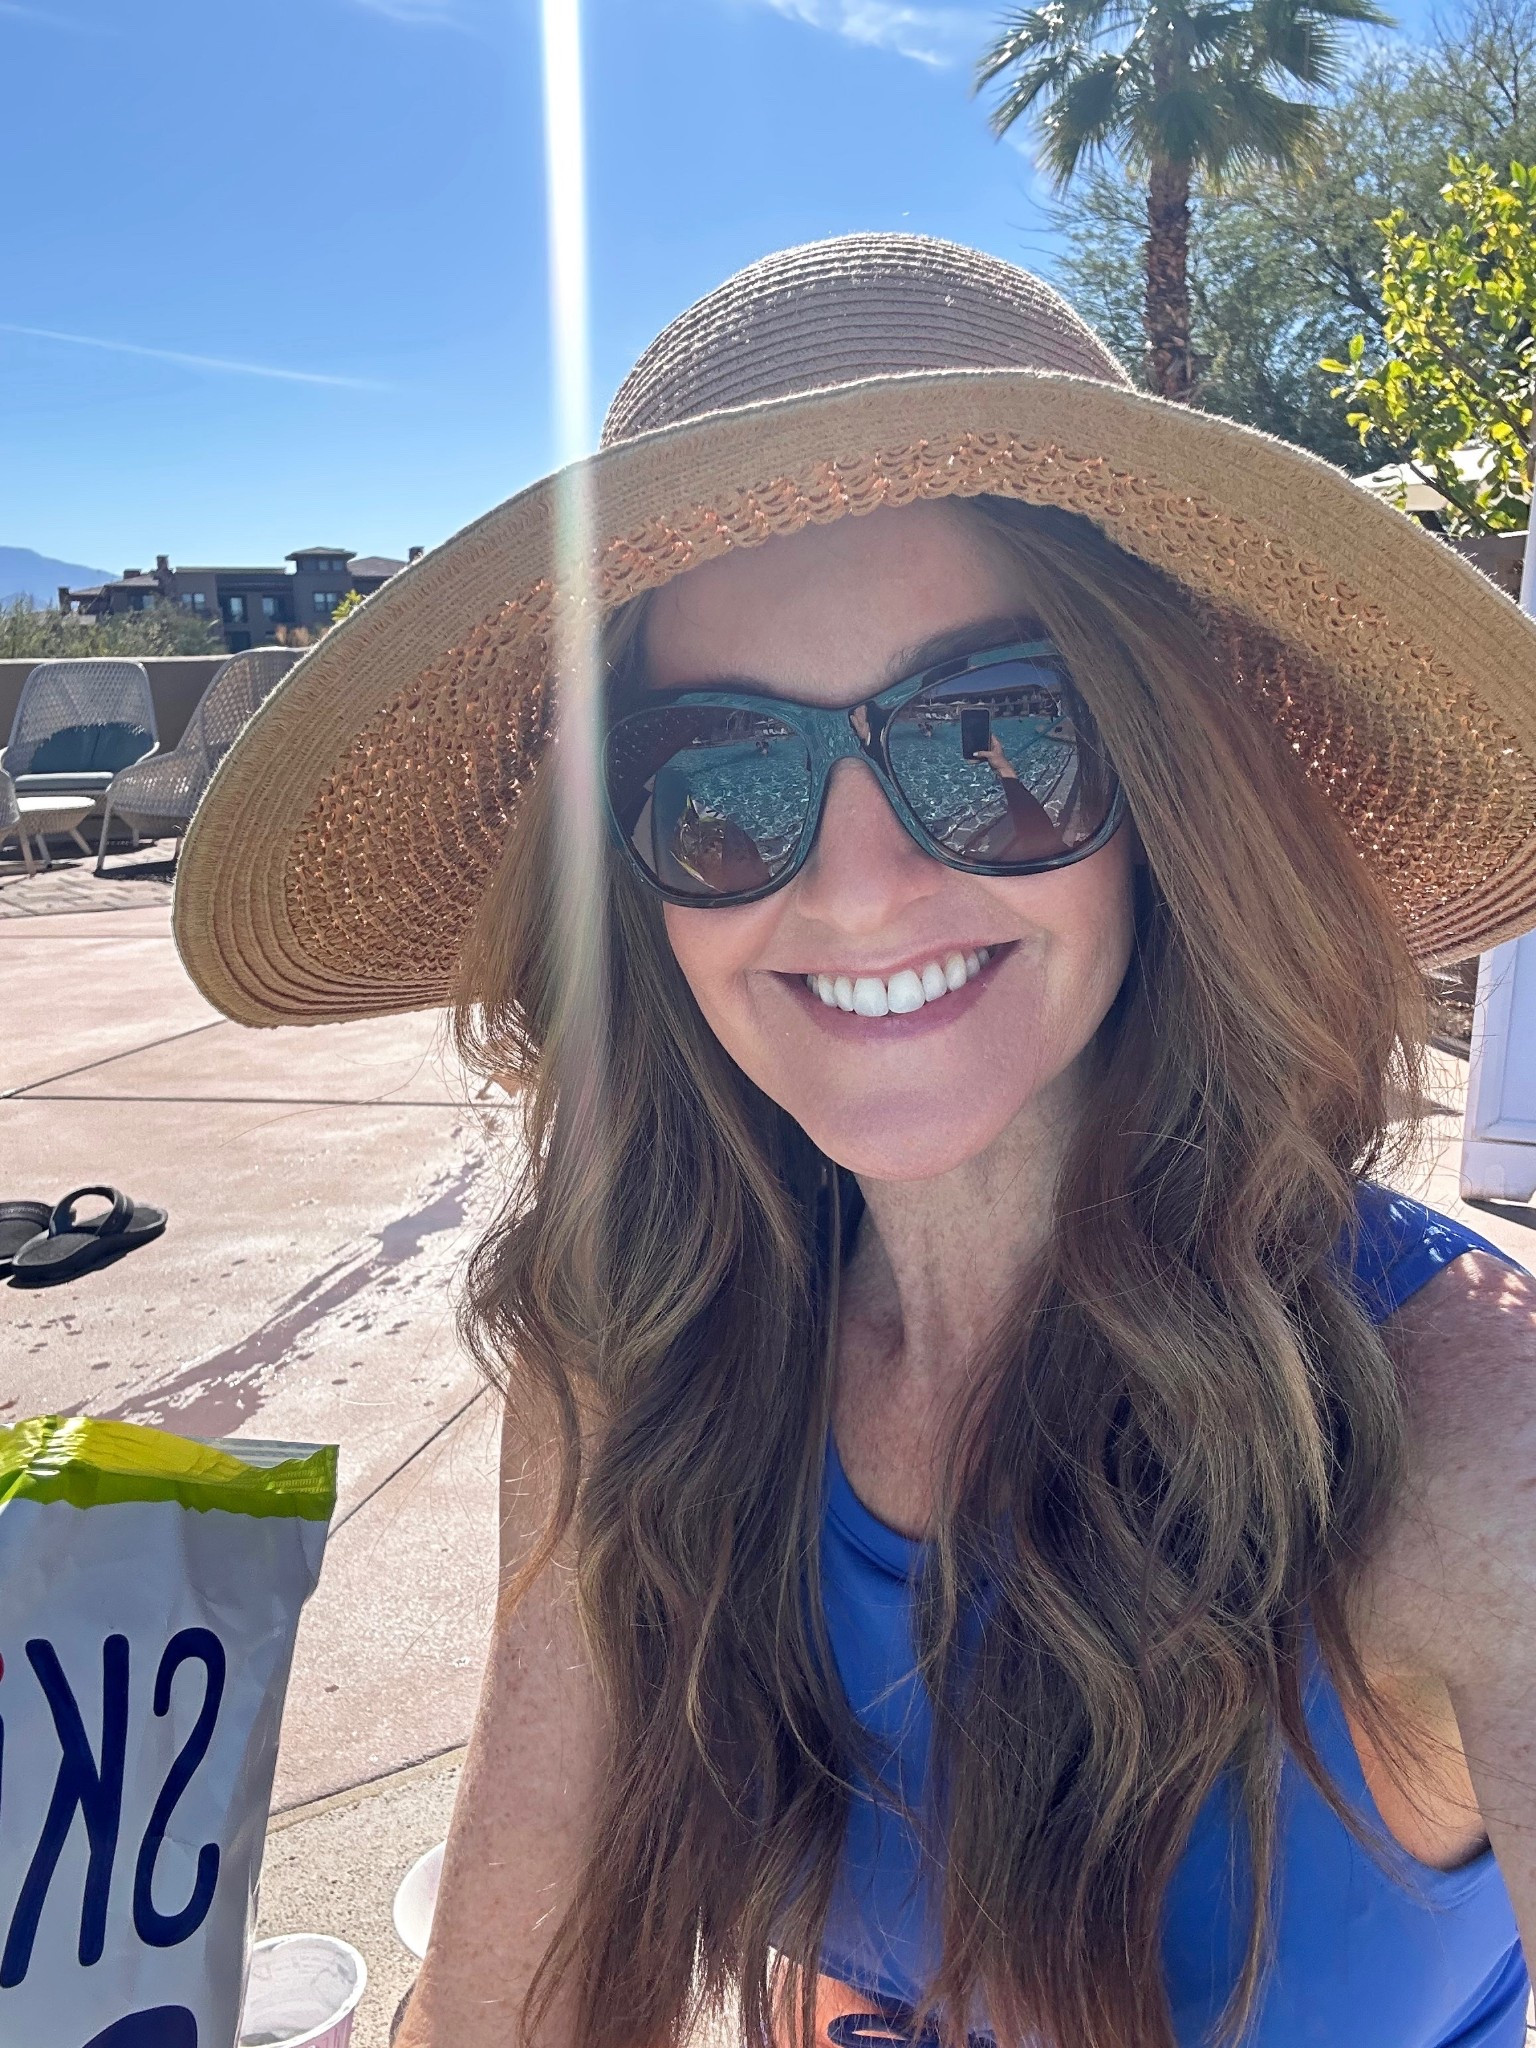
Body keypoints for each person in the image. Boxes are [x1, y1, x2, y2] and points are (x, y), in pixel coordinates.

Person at [173, 236, 1536, 2048]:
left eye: (994, 738)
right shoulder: (636, 1360)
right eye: (723, 781)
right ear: (630, 874)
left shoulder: (1455, 1443)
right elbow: (524, 2003)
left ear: (1164, 783)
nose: (862, 885)